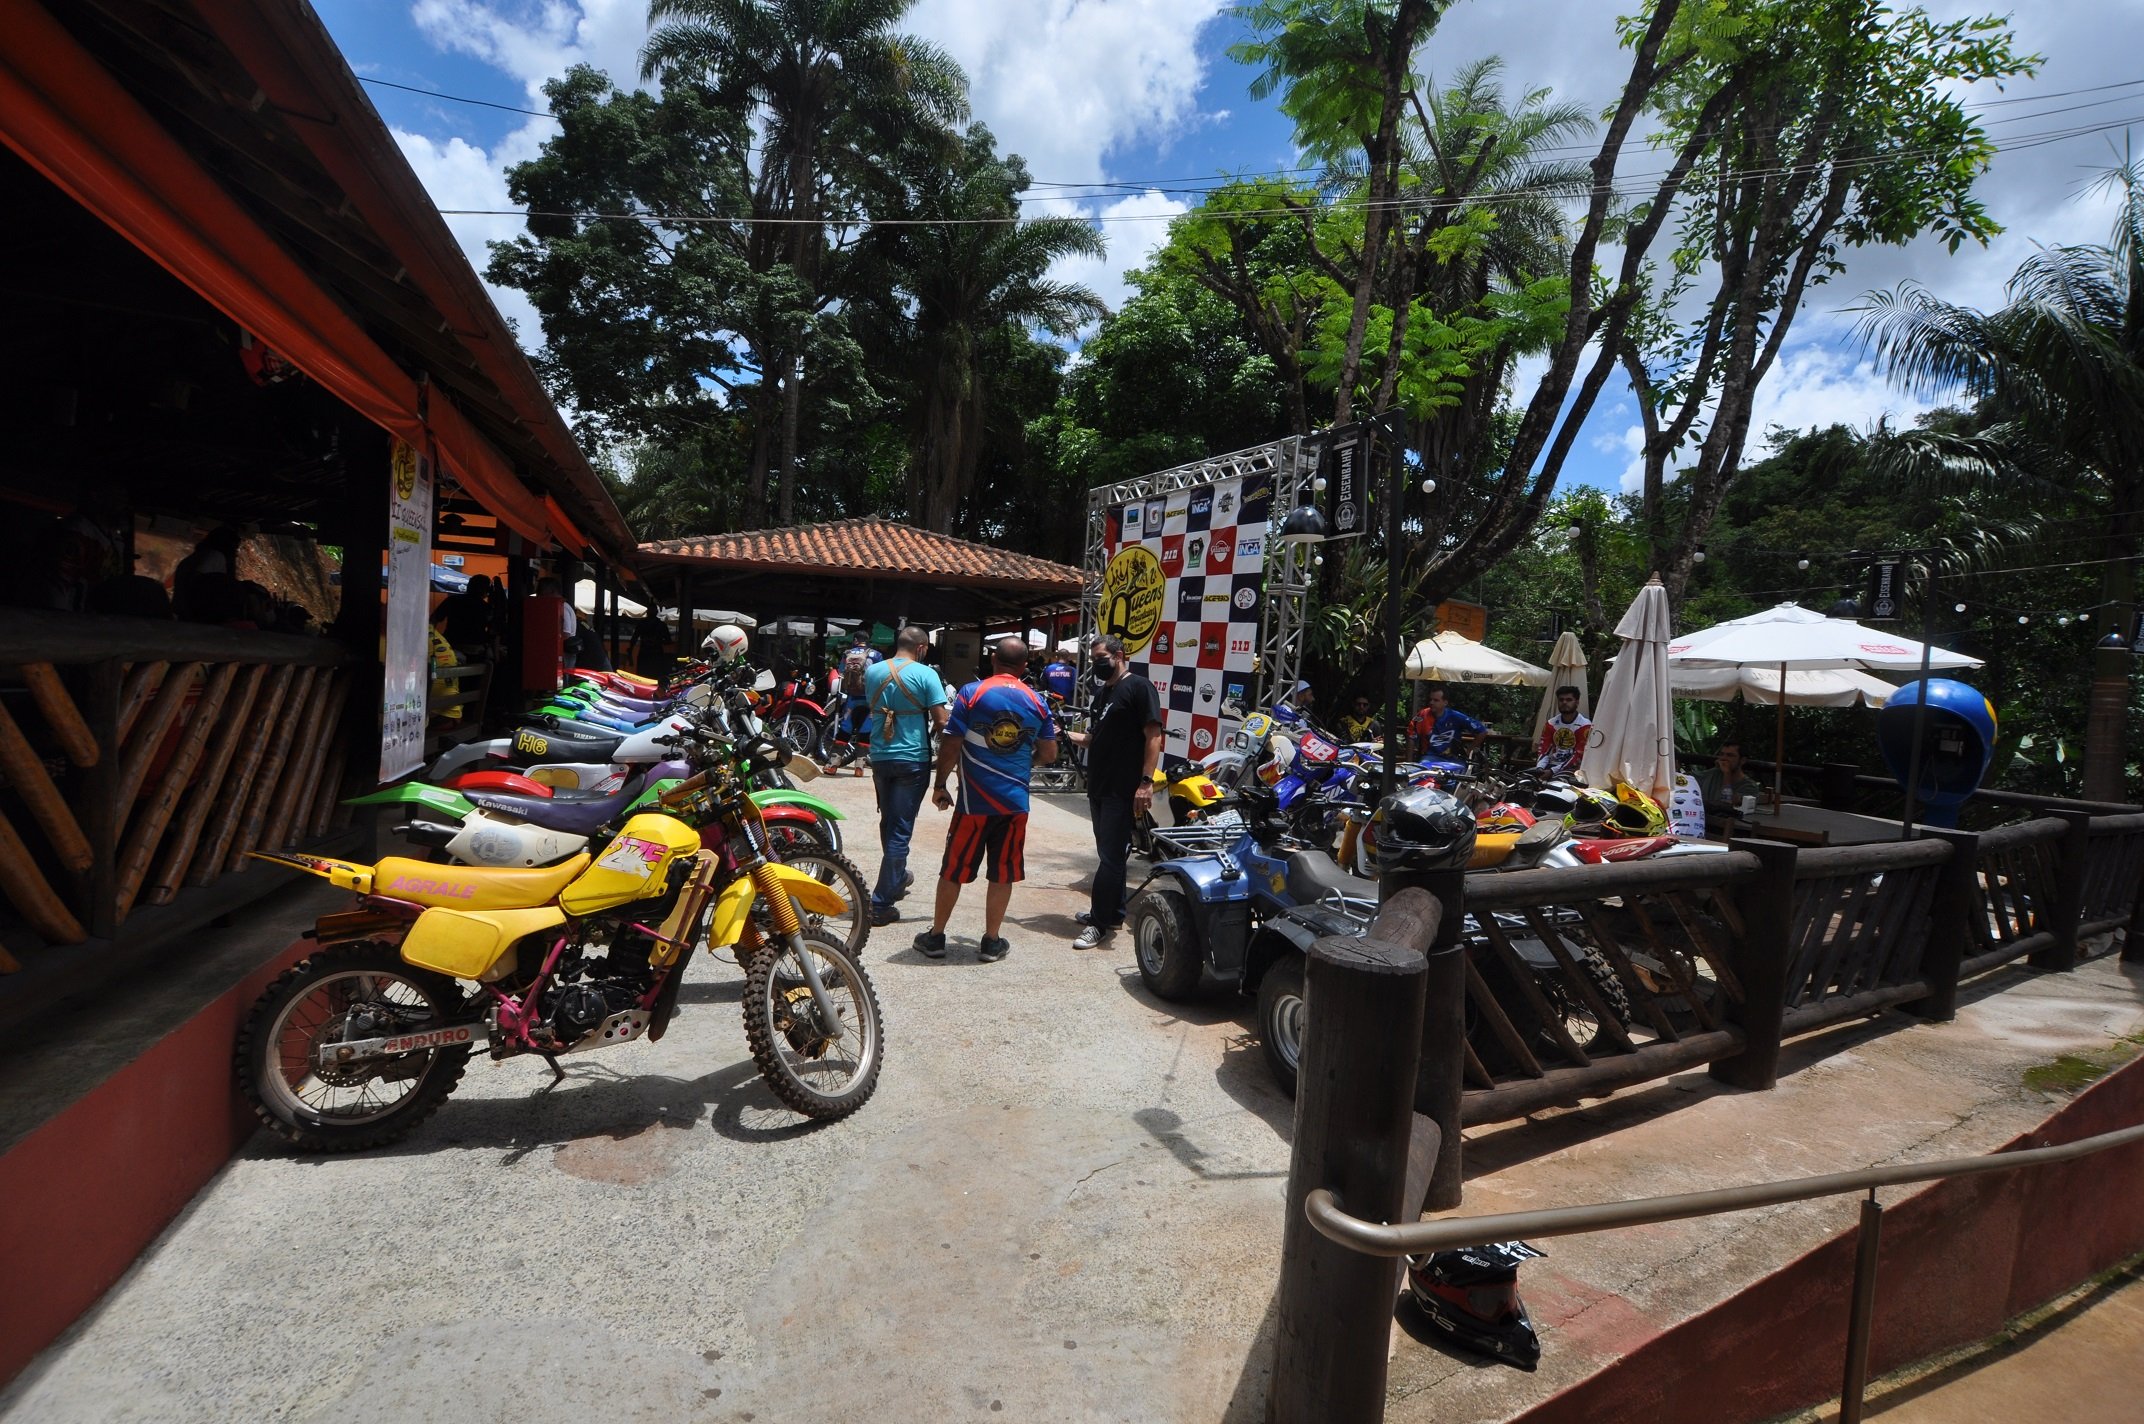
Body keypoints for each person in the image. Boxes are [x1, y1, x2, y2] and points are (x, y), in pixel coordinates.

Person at [915, 637, 1058, 963]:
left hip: (974, 804)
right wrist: (1023, 758)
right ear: (1024, 666)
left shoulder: (971, 693)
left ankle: (936, 937)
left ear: (993, 660)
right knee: (1003, 873)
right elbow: (1049, 753)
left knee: (953, 870)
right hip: (1014, 804)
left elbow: (951, 744)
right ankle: (991, 942)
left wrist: (939, 784)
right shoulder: (1037, 702)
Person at [1068, 633, 1163, 950]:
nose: (1096, 664)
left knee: (1109, 857)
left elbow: (1153, 736)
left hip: (1122, 789)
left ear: (1119, 655)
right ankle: (1114, 914)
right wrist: (1060, 732)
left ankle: (1098, 923)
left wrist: (1145, 782)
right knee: (1110, 856)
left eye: (1100, 658)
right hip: (1098, 785)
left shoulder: (1138, 687)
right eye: (1093, 659)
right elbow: (1093, 739)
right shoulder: (1102, 693)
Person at [863, 626, 950, 927]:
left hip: (880, 756)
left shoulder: (872, 671)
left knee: (888, 822)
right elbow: (941, 722)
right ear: (922, 648)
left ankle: (896, 878)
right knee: (900, 829)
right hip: (912, 759)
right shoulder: (927, 675)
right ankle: (880, 902)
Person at [828, 628, 883, 769]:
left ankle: (833, 764)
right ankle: (859, 767)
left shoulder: (847, 653)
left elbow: (841, 672)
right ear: (867, 641)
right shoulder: (876, 654)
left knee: (846, 728)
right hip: (870, 699)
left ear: (855, 640)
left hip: (852, 698)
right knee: (866, 730)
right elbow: (881, 676)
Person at [1409, 684, 1490, 761]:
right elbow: (1411, 735)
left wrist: (1468, 751)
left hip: (1452, 760)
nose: (1431, 702)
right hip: (1428, 758)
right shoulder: (1422, 715)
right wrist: (1408, 761)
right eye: (1430, 699)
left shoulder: (1455, 716)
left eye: (1436, 700)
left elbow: (1482, 731)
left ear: (1445, 702)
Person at [1697, 740, 1764, 818]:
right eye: (1721, 754)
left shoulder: (1749, 787)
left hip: (1732, 827)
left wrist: (1727, 774)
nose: (1723, 758)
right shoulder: (1712, 773)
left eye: (1730, 755)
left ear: (1742, 760)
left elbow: (1726, 804)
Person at [430, 573, 494, 655]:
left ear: (469, 586)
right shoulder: (487, 608)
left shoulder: (452, 600)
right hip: (477, 649)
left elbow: (433, 620)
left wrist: (434, 641)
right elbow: (493, 632)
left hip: (451, 647)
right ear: (487, 590)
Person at [1536, 686, 1592, 774]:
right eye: (1561, 700)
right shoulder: (1551, 724)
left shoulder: (1585, 726)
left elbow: (1579, 755)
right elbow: (1543, 750)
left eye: (1569, 700)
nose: (1564, 702)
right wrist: (1539, 769)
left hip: (1573, 770)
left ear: (1577, 702)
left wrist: (1552, 772)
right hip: (1550, 766)